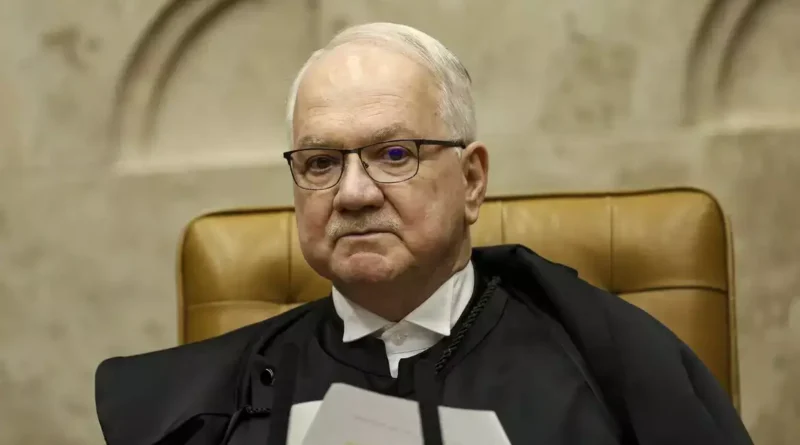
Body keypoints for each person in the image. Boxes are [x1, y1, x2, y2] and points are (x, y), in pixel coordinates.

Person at [94, 23, 754, 445]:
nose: (353, 193)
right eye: (321, 162)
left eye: (393, 154)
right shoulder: (221, 402)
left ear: (471, 180)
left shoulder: (610, 366)